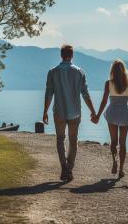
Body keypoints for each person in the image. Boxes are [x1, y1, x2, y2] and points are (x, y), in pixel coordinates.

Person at [43, 44, 97, 182]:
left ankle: (64, 168)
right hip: (75, 112)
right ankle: (69, 168)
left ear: (61, 55)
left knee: (60, 139)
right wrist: (92, 111)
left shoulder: (52, 72)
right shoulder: (79, 72)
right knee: (73, 140)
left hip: (59, 112)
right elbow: (85, 94)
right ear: (72, 55)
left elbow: (49, 94)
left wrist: (45, 111)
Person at [92, 59, 128, 179]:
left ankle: (114, 161)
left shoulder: (108, 83)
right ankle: (121, 169)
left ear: (112, 70)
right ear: (124, 70)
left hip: (112, 113)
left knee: (113, 141)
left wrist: (97, 115)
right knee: (122, 143)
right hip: (124, 113)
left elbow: (104, 100)